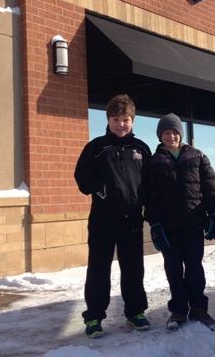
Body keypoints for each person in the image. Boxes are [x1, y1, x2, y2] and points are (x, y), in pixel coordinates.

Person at [74, 94, 151, 338]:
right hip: (102, 219)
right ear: (108, 120)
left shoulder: (141, 149)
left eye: (125, 119)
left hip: (131, 219)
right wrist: (101, 189)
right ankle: (94, 316)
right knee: (99, 268)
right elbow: (82, 177)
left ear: (133, 120)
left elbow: (150, 183)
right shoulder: (96, 148)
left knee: (133, 268)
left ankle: (135, 312)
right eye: (116, 119)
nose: (120, 124)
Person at [144, 113, 215, 331]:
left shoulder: (197, 156)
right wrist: (155, 225)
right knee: (174, 270)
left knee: (195, 269)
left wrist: (214, 215)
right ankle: (178, 312)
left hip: (194, 224)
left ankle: (199, 309)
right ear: (160, 136)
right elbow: (151, 197)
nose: (171, 136)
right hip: (169, 228)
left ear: (181, 134)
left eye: (175, 131)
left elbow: (210, 187)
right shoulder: (154, 162)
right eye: (166, 132)